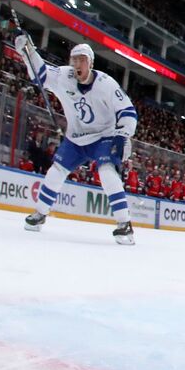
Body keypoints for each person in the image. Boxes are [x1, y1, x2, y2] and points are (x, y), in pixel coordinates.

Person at [13, 37, 138, 244]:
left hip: (103, 137)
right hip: (75, 137)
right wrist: (29, 52)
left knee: (106, 171)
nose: (77, 64)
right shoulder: (64, 75)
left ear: (91, 63)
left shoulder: (106, 84)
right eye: (74, 60)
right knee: (56, 171)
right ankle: (40, 214)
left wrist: (124, 135)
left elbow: (127, 111)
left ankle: (124, 224)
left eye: (82, 60)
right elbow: (40, 75)